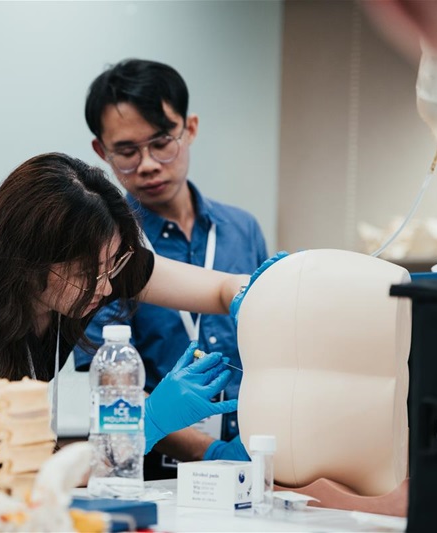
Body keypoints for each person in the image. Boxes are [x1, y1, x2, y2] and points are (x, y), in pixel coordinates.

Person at [0, 153, 247, 493]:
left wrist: (257, 289)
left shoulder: (92, 272)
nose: (108, 285)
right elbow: (23, 474)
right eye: (89, 272)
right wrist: (146, 426)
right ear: (28, 261)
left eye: (111, 264)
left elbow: (217, 289)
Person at [74, 59, 268, 479]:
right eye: (126, 151)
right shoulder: (105, 247)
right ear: (100, 152)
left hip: (253, 454)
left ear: (190, 128)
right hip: (146, 468)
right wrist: (211, 451)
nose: (147, 164)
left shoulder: (241, 229)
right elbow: (110, 384)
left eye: (162, 142)